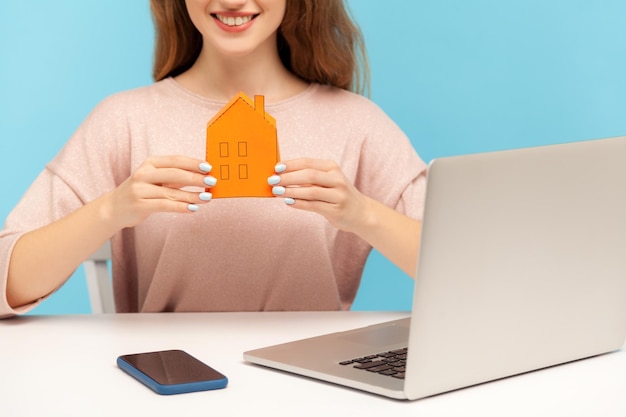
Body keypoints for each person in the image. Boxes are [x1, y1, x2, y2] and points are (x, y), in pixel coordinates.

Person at [0, 0, 427, 318]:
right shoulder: (124, 120)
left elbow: (470, 269)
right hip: (164, 383)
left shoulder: (357, 124)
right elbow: (6, 280)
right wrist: (112, 209)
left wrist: (362, 214)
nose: (232, 2)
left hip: (310, 383)